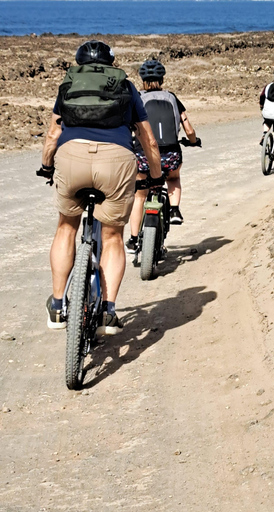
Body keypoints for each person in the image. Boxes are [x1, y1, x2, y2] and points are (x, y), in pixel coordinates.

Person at [39, 40, 162, 334]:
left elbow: (53, 135)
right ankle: (108, 312)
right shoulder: (128, 88)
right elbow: (148, 141)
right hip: (116, 162)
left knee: (66, 227)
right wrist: (155, 176)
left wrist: (46, 166)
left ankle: (58, 306)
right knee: (112, 237)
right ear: (112, 63)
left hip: (72, 158)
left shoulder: (68, 84)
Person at [125, 59, 200, 253]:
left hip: (143, 154)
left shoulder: (137, 98)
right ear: (162, 78)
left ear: (142, 79)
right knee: (173, 177)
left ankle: (133, 239)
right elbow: (188, 127)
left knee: (140, 194)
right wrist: (193, 140)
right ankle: (174, 210)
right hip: (170, 153)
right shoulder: (171, 97)